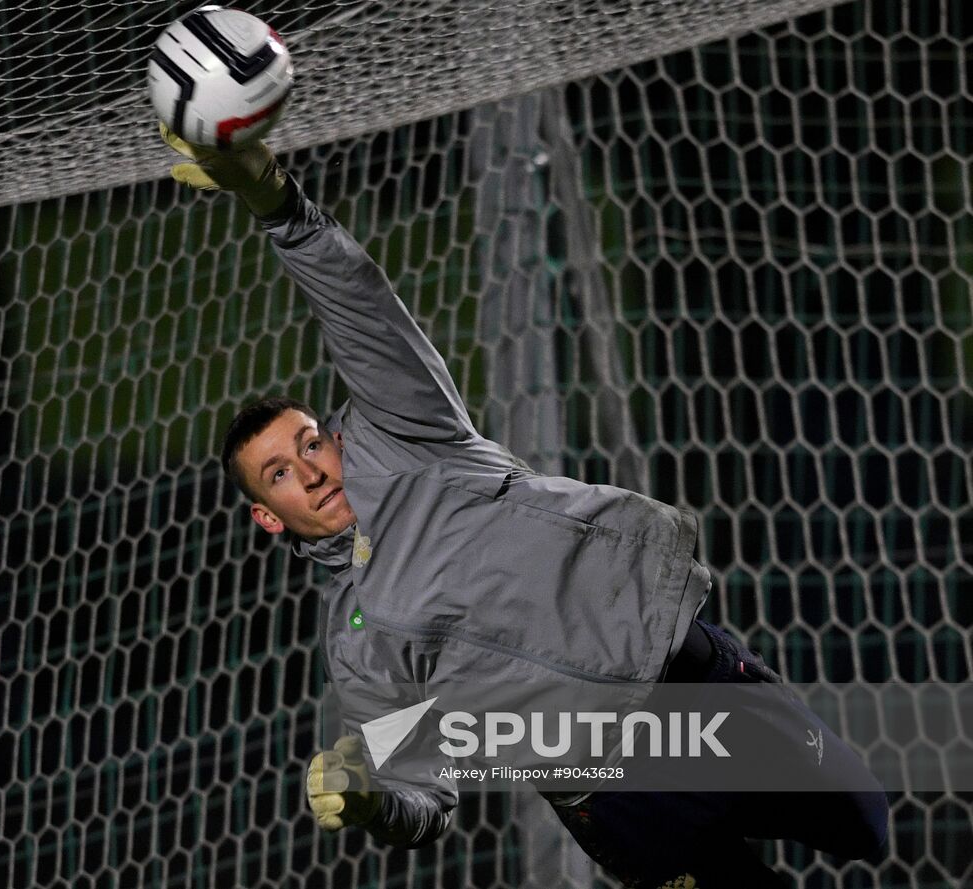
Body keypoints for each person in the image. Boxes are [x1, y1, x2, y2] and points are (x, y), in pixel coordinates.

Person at [159, 124, 889, 888]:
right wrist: (374, 801)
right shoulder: (356, 644)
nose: (308, 470)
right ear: (267, 515)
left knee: (865, 821)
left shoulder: (408, 435)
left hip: (684, 679)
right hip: (612, 791)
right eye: (277, 473)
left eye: (310, 442)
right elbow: (424, 794)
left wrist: (278, 204)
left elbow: (358, 305)